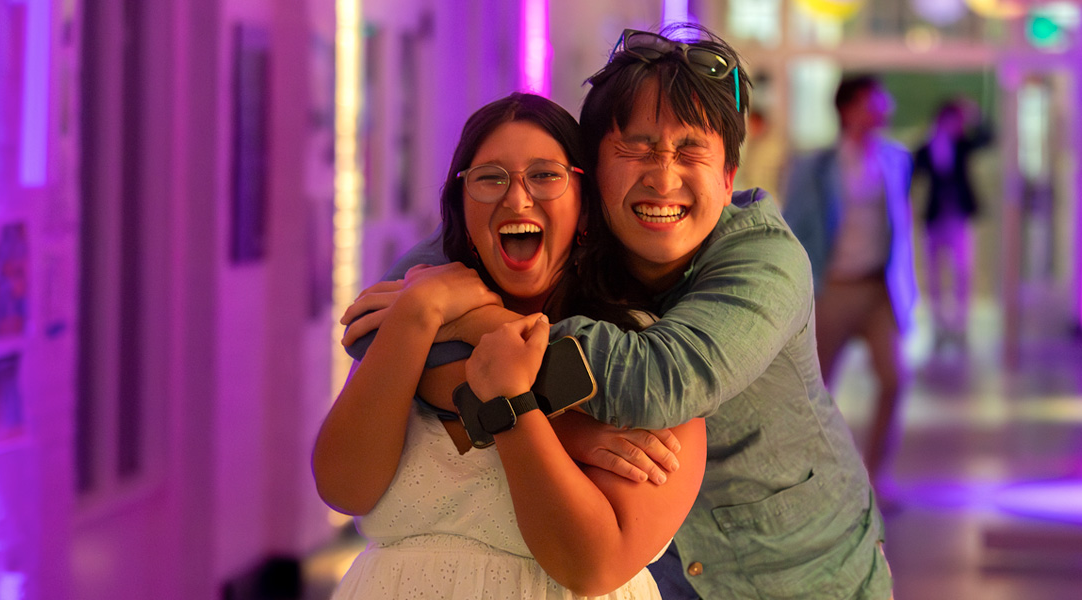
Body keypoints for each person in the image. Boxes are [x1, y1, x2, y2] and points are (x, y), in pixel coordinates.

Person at [346, 25, 893, 599]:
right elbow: (374, 328)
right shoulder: (564, 222)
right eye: (636, 148)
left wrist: (465, 320)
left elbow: (657, 384)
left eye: (690, 151)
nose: (662, 177)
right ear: (591, 170)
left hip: (800, 574)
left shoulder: (764, 259)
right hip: (657, 574)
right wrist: (430, 323)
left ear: (728, 177)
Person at [313, 92, 706, 599]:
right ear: (461, 210)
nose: (517, 199)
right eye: (490, 178)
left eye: (545, 175)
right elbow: (344, 488)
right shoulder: (416, 322)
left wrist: (516, 406)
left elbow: (589, 566)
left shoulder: (644, 355)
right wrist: (418, 313)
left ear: (586, 212)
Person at [782, 74, 917, 495]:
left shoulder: (895, 160)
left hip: (879, 290)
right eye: (872, 101)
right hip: (832, 288)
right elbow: (796, 227)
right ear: (847, 109)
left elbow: (900, 228)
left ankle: (877, 476)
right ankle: (817, 480)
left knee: (895, 379)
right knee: (815, 390)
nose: (882, 109)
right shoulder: (816, 167)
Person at [913, 97, 992, 348]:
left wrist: (975, 116)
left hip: (959, 216)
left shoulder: (963, 144)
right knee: (934, 272)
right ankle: (938, 321)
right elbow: (913, 172)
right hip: (936, 217)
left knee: (962, 270)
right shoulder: (927, 147)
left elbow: (988, 137)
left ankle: (960, 321)